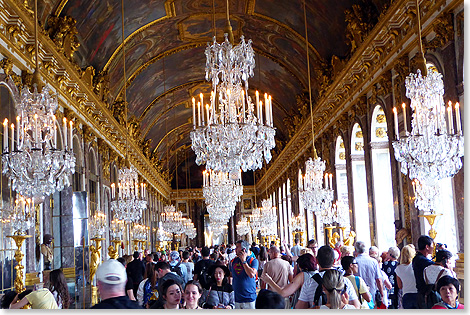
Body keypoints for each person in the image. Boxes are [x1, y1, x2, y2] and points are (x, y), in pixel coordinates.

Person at [295, 245, 360, 309]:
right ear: (334, 261)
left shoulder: (309, 282)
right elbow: (356, 306)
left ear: (316, 261)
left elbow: (300, 308)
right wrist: (345, 306)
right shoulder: (344, 280)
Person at [354, 241, 385, 307]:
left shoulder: (354, 262)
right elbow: (378, 279)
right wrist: (381, 293)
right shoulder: (373, 261)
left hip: (358, 293)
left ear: (356, 250)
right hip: (372, 291)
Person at [229, 240, 259, 309]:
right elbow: (231, 275)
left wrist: (244, 261)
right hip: (236, 298)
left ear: (243, 249)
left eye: (237, 247)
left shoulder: (253, 261)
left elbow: (251, 274)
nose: (235, 249)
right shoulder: (233, 261)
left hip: (249, 298)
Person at [412, 235, 435, 308]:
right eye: (432, 245)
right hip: (425, 295)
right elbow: (436, 266)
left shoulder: (418, 258)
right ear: (427, 247)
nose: (433, 247)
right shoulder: (420, 259)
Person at [395, 244, 418, 309]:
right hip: (417, 294)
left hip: (406, 295)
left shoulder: (398, 268)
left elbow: (400, 286)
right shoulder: (415, 265)